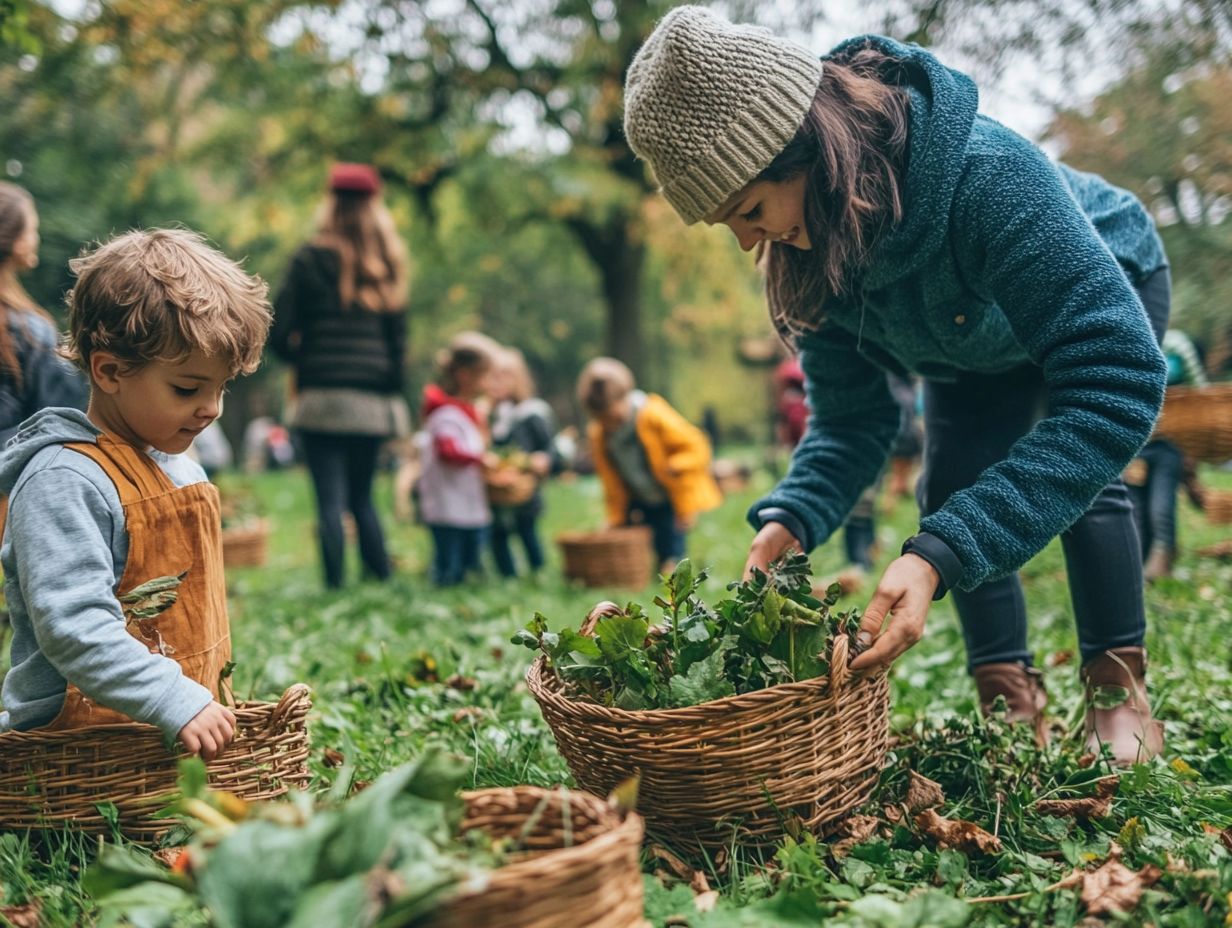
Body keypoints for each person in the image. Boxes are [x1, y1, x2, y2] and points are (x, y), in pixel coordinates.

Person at [624, 7, 1170, 763]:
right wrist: (796, 514)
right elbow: (850, 421)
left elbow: (1114, 386)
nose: (748, 240)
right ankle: (1006, 696)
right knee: (949, 490)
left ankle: (1117, 691)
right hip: (964, 344)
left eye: (749, 210)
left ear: (807, 151)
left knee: (1084, 484)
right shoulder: (806, 256)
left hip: (1101, 293)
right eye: (728, 224)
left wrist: (937, 556)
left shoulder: (987, 176)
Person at [0, 228, 271, 761]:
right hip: (76, 745)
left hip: (165, 728)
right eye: (188, 389)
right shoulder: (65, 481)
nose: (212, 408)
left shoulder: (177, 466)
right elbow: (73, 627)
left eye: (222, 387)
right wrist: (172, 697)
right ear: (109, 371)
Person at [270, 163, 410, 589]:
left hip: (321, 401)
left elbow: (276, 330)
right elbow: (398, 344)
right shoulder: (388, 264)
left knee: (329, 499)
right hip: (370, 405)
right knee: (362, 497)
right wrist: (386, 385)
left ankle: (334, 583)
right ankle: (379, 574)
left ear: (330, 204)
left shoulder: (308, 258)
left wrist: (304, 359)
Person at [578, 356, 721, 574]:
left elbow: (697, 446)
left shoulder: (653, 414)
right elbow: (610, 480)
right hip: (636, 497)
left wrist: (676, 464)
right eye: (602, 420)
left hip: (667, 495)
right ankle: (644, 572)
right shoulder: (599, 434)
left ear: (625, 397)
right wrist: (615, 516)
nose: (610, 425)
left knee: (671, 542)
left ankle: (673, 576)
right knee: (637, 542)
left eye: (613, 417)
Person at [0, 182, 88, 445]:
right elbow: (62, 415)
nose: (36, 238)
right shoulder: (27, 329)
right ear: (16, 241)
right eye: (33, 229)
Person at [416, 331, 498, 586]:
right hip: (448, 501)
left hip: (463, 499)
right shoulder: (446, 413)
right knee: (449, 554)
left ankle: (464, 579)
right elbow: (447, 451)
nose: (487, 383)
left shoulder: (464, 411)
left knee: (469, 549)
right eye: (484, 376)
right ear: (464, 375)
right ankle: (446, 582)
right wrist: (478, 459)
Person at [1128, 328, 1208, 581]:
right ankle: (1140, 563)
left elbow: (1199, 391)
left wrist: (1193, 448)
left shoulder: (1176, 343)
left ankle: (1164, 557)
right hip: (1134, 444)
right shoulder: (1123, 337)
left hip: (1169, 442)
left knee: (1161, 506)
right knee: (1136, 507)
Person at [487, 347, 554, 578]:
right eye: (492, 376)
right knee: (498, 532)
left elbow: (549, 447)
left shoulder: (530, 413)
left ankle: (537, 570)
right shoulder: (491, 416)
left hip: (524, 488)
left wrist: (542, 460)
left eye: (503, 376)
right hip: (498, 487)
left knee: (527, 529)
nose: (497, 382)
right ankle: (507, 574)